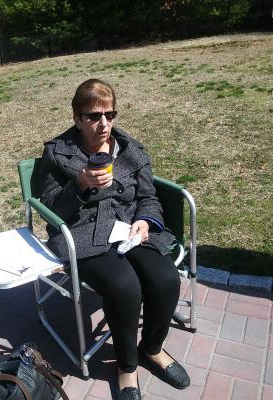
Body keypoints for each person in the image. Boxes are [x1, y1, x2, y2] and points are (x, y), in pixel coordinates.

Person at [39, 79, 190, 400]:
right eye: (94, 116)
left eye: (109, 114)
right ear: (77, 118)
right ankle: (126, 367)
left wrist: (144, 221)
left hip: (129, 228)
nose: (104, 123)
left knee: (165, 279)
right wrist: (80, 183)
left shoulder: (130, 149)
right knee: (124, 287)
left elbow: (148, 196)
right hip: (83, 232)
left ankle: (152, 348)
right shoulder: (57, 152)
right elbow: (50, 207)